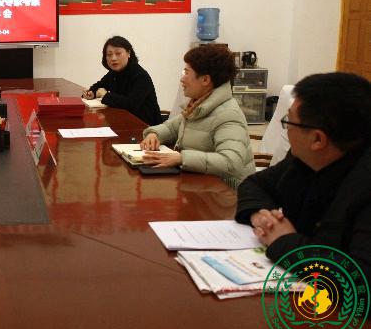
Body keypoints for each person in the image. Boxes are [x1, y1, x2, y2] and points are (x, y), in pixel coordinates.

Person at [236, 72, 371, 280]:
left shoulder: (363, 184)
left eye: (289, 121)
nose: (287, 130)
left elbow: (359, 278)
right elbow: (255, 184)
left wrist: (285, 241)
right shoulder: (305, 159)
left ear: (317, 140)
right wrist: (261, 216)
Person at [140, 45, 255, 188]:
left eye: (186, 72)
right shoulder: (198, 105)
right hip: (201, 182)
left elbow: (231, 163)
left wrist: (181, 158)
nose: (182, 79)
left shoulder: (228, 114)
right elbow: (171, 128)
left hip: (227, 191)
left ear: (205, 80)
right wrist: (154, 135)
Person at [82, 36, 162, 125]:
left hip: (146, 127)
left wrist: (105, 95)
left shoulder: (140, 76)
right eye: (109, 54)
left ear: (129, 53)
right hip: (122, 121)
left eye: (118, 53)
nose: (113, 58)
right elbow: (99, 85)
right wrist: (91, 93)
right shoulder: (114, 73)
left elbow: (131, 104)